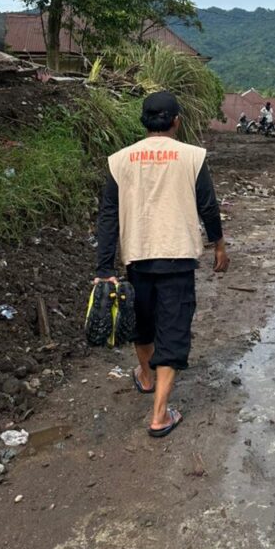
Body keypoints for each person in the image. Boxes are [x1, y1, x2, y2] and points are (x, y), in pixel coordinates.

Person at [95, 91, 229, 437]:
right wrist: (218, 244)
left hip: (137, 257)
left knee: (143, 323)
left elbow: (108, 216)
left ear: (144, 121)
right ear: (176, 121)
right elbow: (208, 206)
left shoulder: (120, 160)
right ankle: (160, 414)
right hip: (177, 258)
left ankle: (145, 375)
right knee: (172, 330)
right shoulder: (192, 157)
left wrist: (104, 269)